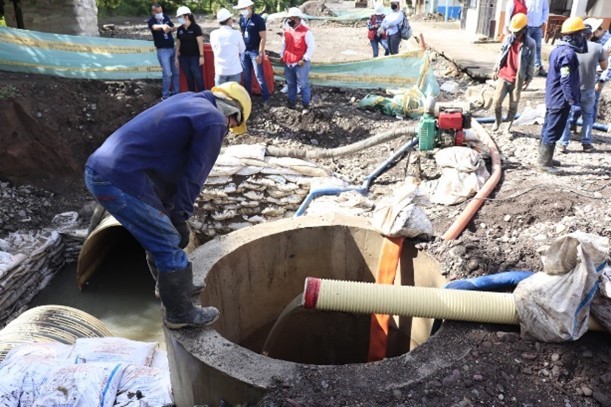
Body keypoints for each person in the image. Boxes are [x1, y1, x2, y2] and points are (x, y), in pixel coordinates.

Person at [84, 82, 252, 329]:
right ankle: (180, 314)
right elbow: (193, 176)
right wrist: (180, 215)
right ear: (233, 113)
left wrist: (170, 210)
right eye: (233, 126)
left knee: (160, 233)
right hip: (120, 178)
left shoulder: (188, 102)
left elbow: (166, 164)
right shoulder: (214, 120)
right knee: (166, 241)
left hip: (108, 171)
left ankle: (172, 291)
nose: (228, 131)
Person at [538, 17, 587, 173]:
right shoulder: (568, 54)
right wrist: (571, 99)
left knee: (548, 127)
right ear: (573, 36)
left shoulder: (558, 50)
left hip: (553, 96)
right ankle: (544, 164)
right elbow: (565, 80)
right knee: (553, 129)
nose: (583, 38)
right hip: (560, 98)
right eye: (581, 34)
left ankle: (545, 158)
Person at [558, 23, 608, 153]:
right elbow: (604, 67)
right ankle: (586, 143)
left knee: (566, 115)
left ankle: (563, 143)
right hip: (589, 88)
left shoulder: (570, 48)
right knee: (588, 116)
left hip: (571, 88)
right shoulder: (598, 47)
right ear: (591, 34)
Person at [491, 13, 535, 135]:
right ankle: (497, 121)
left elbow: (531, 62)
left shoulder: (530, 44)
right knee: (496, 102)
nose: (515, 34)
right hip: (504, 76)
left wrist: (529, 78)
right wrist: (496, 69)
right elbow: (501, 54)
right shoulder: (508, 39)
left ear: (524, 29)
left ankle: (507, 126)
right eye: (514, 31)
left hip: (517, 79)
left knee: (513, 105)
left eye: (517, 32)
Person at [233, 0, 270, 106]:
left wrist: (260, 53)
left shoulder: (258, 20)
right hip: (245, 51)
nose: (242, 11)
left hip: (255, 51)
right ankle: (247, 98)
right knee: (246, 76)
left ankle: (266, 98)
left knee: (259, 75)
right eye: (241, 9)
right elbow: (242, 34)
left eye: (243, 9)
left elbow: (263, 37)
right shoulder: (242, 19)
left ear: (249, 7)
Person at [281, 7, 315, 114]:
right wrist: (282, 55)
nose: (289, 21)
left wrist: (304, 59)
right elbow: (284, 44)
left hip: (300, 63)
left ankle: (305, 105)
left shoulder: (306, 32)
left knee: (303, 84)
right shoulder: (288, 31)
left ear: (297, 19)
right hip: (289, 62)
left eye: (291, 18)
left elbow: (311, 47)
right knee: (291, 84)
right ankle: (292, 103)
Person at [506, 0, 548, 77]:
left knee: (537, 47)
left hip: (537, 26)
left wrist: (543, 22)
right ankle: (521, 67)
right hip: (526, 26)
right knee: (524, 47)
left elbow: (545, 9)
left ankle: (538, 66)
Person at [147, 3, 180, 100]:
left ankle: (176, 93)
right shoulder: (151, 21)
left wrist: (169, 28)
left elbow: (174, 27)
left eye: (161, 11)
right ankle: (165, 95)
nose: (160, 13)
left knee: (176, 73)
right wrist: (162, 26)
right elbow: (153, 27)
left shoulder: (165, 17)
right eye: (158, 12)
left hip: (172, 48)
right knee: (167, 73)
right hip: (163, 51)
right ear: (153, 12)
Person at [210, 8, 245, 86]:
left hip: (220, 70)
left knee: (219, 96)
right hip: (234, 70)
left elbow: (214, 49)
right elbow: (242, 50)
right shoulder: (236, 33)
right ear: (229, 20)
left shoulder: (213, 34)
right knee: (234, 96)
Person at [175, 6, 205, 91]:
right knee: (189, 79)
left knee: (198, 78)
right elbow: (178, 43)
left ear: (186, 17)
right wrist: (176, 57)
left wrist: (201, 56)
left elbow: (200, 42)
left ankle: (202, 98)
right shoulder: (180, 29)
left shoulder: (196, 28)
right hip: (183, 58)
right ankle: (192, 98)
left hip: (195, 58)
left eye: (180, 17)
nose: (179, 19)